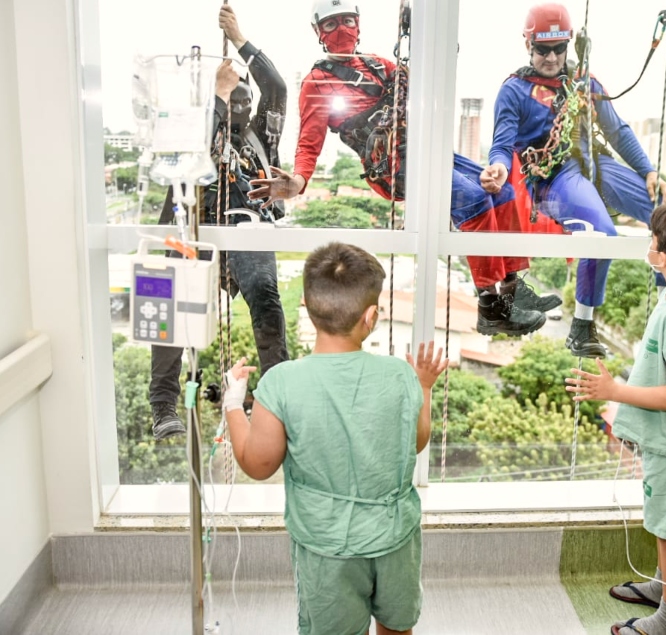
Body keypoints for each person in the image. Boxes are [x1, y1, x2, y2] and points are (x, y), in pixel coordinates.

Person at [248, 0, 560, 338]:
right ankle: (491, 307)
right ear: (318, 32)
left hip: (422, 147)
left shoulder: (380, 65)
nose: (342, 29)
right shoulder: (317, 82)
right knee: (474, 201)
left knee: (504, 193)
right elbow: (310, 141)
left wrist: (433, 40)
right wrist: (298, 181)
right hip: (392, 167)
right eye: (331, 24)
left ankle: (514, 292)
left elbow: (423, 78)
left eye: (347, 20)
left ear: (359, 24)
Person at [223, 241, 448, 635]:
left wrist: (232, 404)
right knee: (397, 627)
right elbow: (414, 442)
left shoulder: (282, 382)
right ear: (371, 316)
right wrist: (424, 387)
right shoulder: (400, 376)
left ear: (308, 309)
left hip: (327, 546)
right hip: (394, 538)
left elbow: (258, 464)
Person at [565, 202, 666, 635]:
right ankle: (662, 587)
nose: (649, 244)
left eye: (653, 239)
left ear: (664, 258)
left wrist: (614, 391)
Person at [480, 2, 666, 358]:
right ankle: (582, 327)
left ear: (568, 44)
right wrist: (498, 168)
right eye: (543, 49)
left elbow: (616, 131)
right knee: (600, 235)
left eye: (559, 48)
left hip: (596, 166)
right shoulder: (515, 90)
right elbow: (502, 142)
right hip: (553, 179)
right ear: (529, 45)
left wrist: (649, 171)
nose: (552, 57)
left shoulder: (583, 82)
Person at [149, 4, 289, 440]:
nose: (239, 107)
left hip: (245, 226)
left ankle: (281, 394)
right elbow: (190, 161)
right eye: (231, 101)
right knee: (169, 302)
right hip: (195, 227)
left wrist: (241, 39)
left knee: (265, 296)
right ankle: (163, 404)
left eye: (242, 100)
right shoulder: (191, 131)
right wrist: (217, 96)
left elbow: (277, 88)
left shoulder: (259, 138)